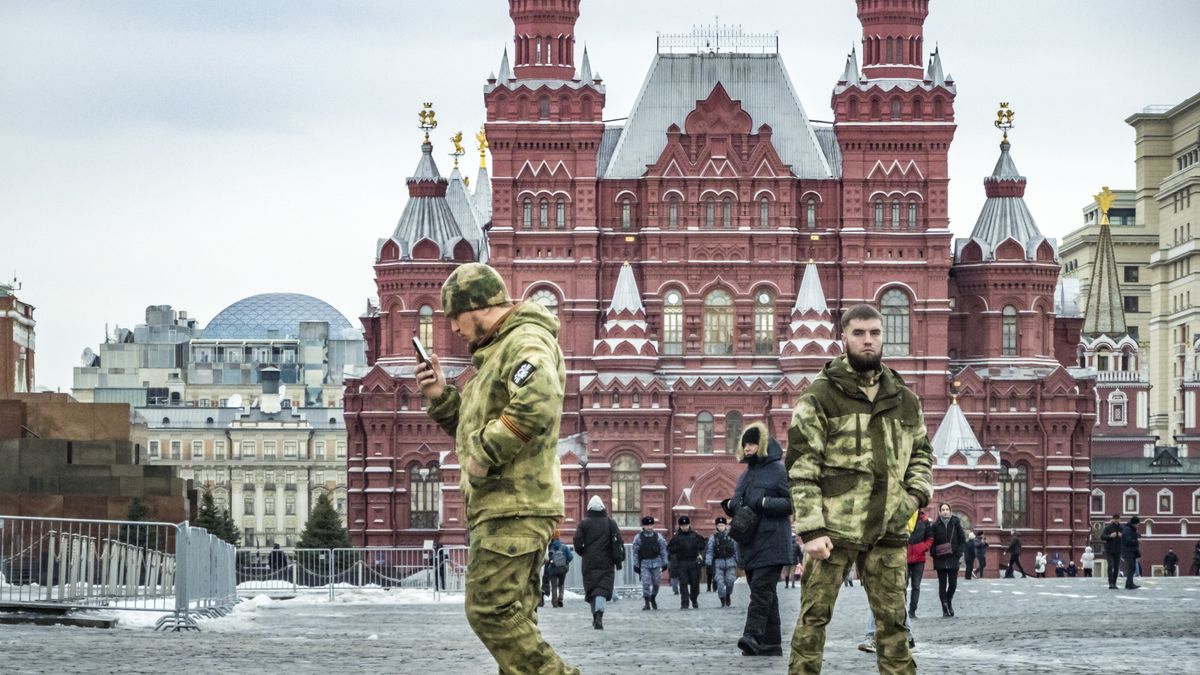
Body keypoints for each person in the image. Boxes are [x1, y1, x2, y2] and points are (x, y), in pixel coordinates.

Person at [416, 262, 578, 675]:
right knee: (514, 618)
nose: (452, 327)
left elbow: (537, 399)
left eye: (454, 316)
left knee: (489, 610)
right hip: (505, 505)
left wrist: (485, 454)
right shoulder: (495, 353)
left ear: (477, 307)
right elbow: (471, 431)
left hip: (515, 505)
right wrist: (441, 397)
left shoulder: (525, 340)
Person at [786, 304, 934, 674]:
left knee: (894, 627)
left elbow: (921, 454)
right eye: (859, 333)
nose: (868, 340)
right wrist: (812, 530)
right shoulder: (820, 397)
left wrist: (912, 497)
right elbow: (802, 467)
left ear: (883, 337)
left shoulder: (903, 398)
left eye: (874, 333)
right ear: (844, 338)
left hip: (888, 528)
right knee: (812, 623)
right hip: (833, 532)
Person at [726, 422, 793, 657]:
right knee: (766, 594)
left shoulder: (778, 470)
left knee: (761, 592)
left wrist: (764, 503)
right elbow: (737, 499)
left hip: (772, 542)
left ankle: (752, 636)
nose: (747, 448)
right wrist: (731, 505)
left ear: (761, 444)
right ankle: (772, 643)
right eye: (745, 444)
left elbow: (790, 503)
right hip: (750, 542)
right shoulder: (747, 473)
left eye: (752, 443)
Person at [572, 495, 622, 629]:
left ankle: (595, 615)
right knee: (602, 589)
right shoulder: (610, 523)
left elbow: (577, 541)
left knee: (592, 588)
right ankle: (599, 614)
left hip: (589, 561)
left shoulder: (584, 523)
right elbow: (619, 541)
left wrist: (583, 552)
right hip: (607, 561)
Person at [932, 503, 965, 617]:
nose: (945, 511)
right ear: (940, 512)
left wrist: (958, 553)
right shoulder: (935, 525)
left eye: (947, 509)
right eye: (943, 509)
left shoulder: (956, 524)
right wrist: (934, 554)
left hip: (953, 558)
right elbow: (932, 542)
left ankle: (948, 601)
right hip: (940, 558)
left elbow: (962, 540)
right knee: (942, 584)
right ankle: (945, 607)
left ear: (950, 511)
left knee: (953, 584)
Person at [667, 516, 706, 609]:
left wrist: (700, 554)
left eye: (686, 525)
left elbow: (703, 545)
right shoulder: (676, 538)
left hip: (693, 562)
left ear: (689, 525)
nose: (685, 527)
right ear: (680, 526)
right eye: (683, 525)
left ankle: (694, 598)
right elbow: (670, 549)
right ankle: (684, 602)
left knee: (695, 583)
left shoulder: (695, 536)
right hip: (681, 563)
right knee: (683, 583)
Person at [632, 515, 668, 610]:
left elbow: (663, 550)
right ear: (643, 526)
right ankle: (647, 602)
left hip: (656, 562)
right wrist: (636, 564)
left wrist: (665, 563)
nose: (649, 527)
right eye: (647, 525)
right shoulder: (638, 537)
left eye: (650, 525)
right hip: (644, 563)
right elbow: (635, 552)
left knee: (656, 583)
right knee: (646, 583)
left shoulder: (658, 537)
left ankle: (653, 597)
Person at [704, 517, 739, 607]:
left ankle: (728, 595)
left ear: (725, 525)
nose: (721, 527)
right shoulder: (713, 538)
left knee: (730, 581)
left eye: (722, 525)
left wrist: (738, 559)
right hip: (718, 563)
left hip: (730, 562)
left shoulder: (731, 536)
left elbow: (736, 548)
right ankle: (722, 599)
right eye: (719, 525)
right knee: (719, 582)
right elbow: (710, 550)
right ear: (716, 526)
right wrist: (708, 561)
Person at [906, 508, 933, 618]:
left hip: (919, 559)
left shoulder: (925, 520)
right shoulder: (904, 516)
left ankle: (912, 611)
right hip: (904, 558)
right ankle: (901, 610)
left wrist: (923, 547)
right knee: (902, 585)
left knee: (916, 585)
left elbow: (930, 538)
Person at [542, 538, 572, 608]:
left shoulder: (551, 549)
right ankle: (560, 599)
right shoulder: (564, 547)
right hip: (562, 570)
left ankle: (554, 603)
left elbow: (548, 560)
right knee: (561, 585)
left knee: (554, 587)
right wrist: (566, 562)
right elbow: (570, 557)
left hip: (553, 570)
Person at [1101, 514, 1123, 589]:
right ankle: (1110, 583)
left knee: (1116, 567)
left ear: (1120, 520)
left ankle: (1114, 582)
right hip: (1109, 550)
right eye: (1115, 519)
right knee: (1110, 565)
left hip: (1118, 550)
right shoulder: (1108, 528)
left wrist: (1122, 535)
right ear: (1112, 519)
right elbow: (1102, 537)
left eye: (1118, 519)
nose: (1116, 520)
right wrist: (1110, 536)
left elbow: (1126, 537)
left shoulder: (1122, 528)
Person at [1121, 515, 1141, 590]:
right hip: (1128, 552)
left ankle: (1130, 583)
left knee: (1132, 568)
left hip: (1131, 551)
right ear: (1135, 523)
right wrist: (1137, 541)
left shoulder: (1131, 529)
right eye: (1138, 523)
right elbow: (1127, 541)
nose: (1138, 525)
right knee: (1131, 568)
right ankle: (1129, 584)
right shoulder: (1127, 530)